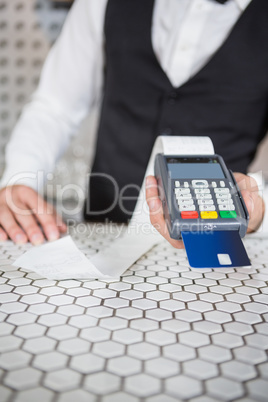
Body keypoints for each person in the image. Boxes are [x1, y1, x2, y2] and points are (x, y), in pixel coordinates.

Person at [0, 0, 266, 248]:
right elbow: (55, 106)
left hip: (217, 249)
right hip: (101, 238)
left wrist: (258, 212)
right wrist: (19, 179)